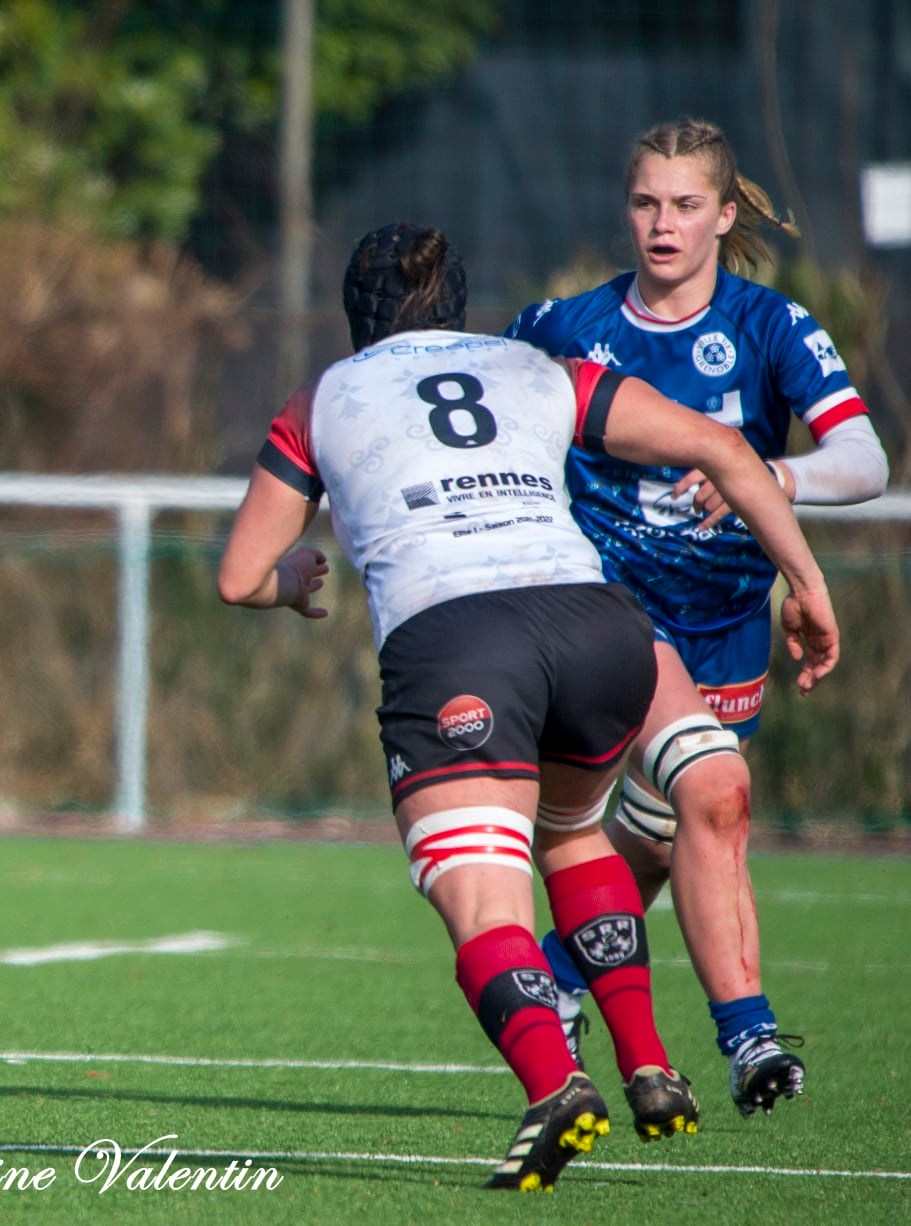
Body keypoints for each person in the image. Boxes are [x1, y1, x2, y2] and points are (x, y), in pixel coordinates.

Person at [218, 223, 839, 1190]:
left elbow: (238, 576)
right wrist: (805, 582)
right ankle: (647, 1063)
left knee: (479, 896)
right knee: (572, 834)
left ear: (355, 313)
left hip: (460, 641)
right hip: (599, 630)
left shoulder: (324, 396)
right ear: (456, 305)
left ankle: (556, 1087)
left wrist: (290, 583)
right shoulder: (536, 369)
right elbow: (722, 446)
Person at [504, 117, 888, 1117]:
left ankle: (557, 973)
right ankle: (748, 1035)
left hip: (725, 619)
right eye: (644, 203)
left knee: (666, 830)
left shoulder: (771, 325)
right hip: (606, 609)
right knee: (713, 795)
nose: (661, 224)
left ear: (723, 214)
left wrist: (769, 473)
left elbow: (864, 461)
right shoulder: (562, 327)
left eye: (683, 205)